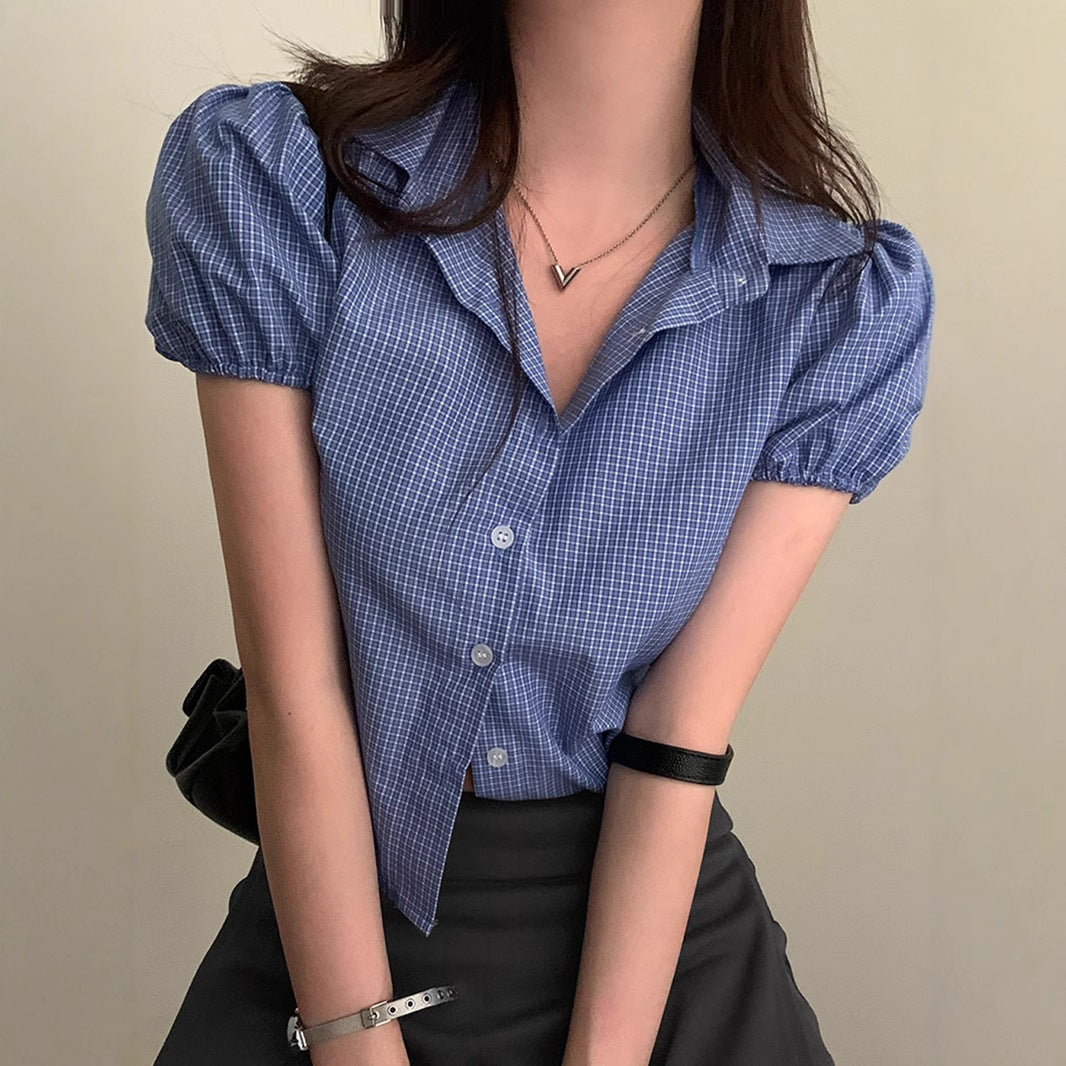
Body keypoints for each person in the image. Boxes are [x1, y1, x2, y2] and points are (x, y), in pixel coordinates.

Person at [144, 1, 934, 1064]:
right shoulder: (284, 181)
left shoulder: (835, 300)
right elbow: (295, 687)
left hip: (655, 953)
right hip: (337, 932)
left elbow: (679, 730)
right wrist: (351, 1041)